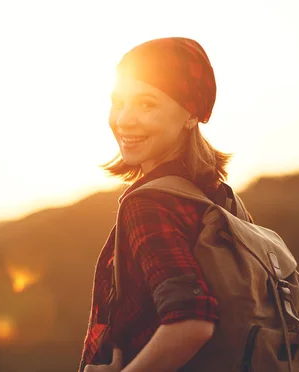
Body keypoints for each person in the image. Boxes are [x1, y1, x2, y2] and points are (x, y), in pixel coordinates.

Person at [79, 37, 247, 371]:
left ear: (190, 115)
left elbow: (192, 321)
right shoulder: (217, 196)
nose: (124, 120)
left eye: (147, 104)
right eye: (118, 102)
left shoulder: (150, 204)